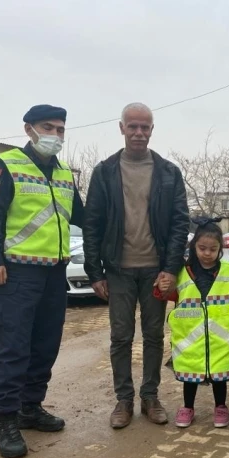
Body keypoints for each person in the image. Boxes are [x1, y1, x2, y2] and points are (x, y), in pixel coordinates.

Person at [0, 104, 84, 458]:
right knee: (13, 348)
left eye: (60, 129)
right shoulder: (4, 165)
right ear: (29, 129)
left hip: (54, 274)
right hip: (16, 274)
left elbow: (83, 217)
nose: (55, 135)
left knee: (45, 346)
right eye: (48, 127)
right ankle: (4, 421)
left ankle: (30, 407)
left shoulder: (64, 173)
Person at [83, 102, 190, 429]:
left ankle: (150, 397)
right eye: (133, 126)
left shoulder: (169, 173)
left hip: (156, 271)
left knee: (154, 335)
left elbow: (179, 223)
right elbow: (92, 224)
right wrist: (95, 272)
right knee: (121, 336)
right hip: (119, 270)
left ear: (152, 130)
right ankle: (124, 400)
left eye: (145, 127)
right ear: (122, 128)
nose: (139, 133)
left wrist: (170, 268)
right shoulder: (104, 172)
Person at [154, 217, 229, 429]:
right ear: (194, 247)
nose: (207, 253)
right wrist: (161, 288)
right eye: (202, 248)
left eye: (213, 249)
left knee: (219, 378)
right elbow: (167, 294)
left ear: (220, 249)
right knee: (190, 378)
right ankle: (187, 407)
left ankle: (221, 406)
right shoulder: (181, 272)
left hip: (220, 341)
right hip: (190, 342)